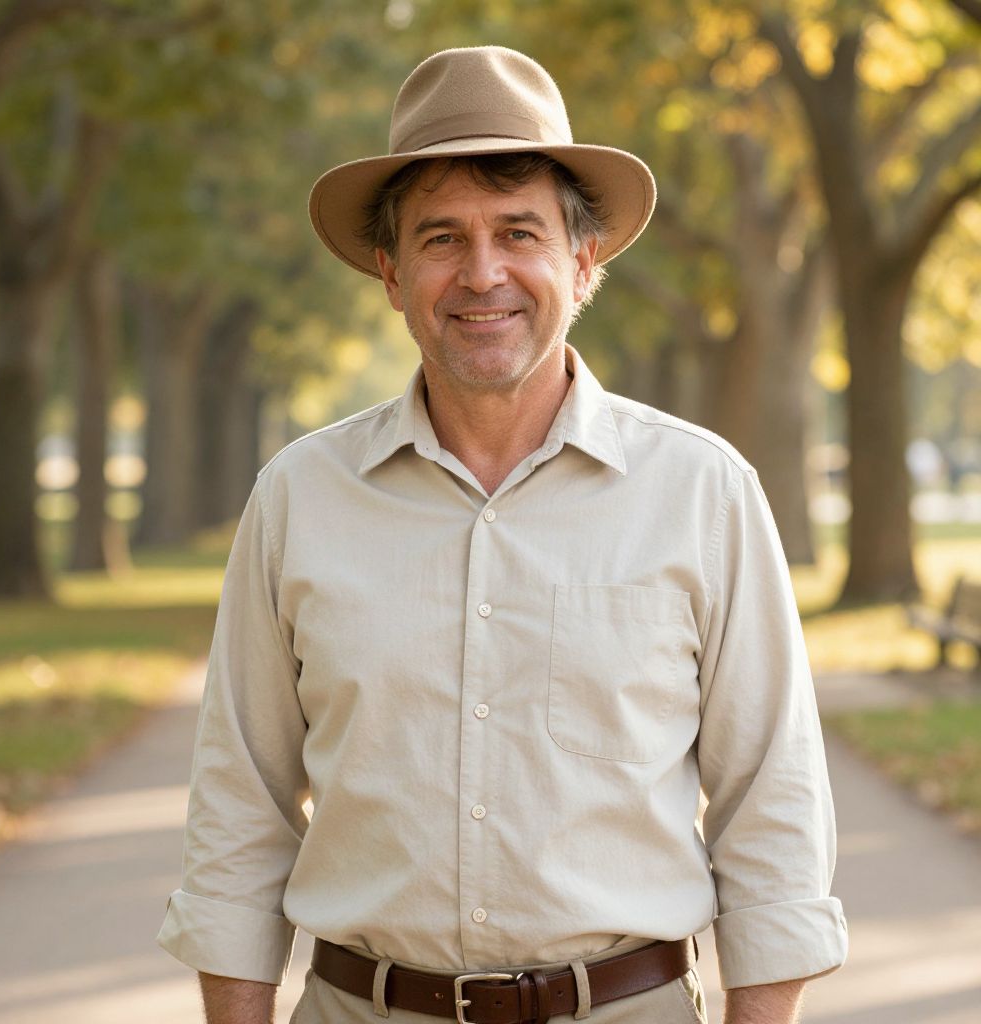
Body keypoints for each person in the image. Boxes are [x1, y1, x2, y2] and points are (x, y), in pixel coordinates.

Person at [158, 45, 848, 1024]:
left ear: (581, 260)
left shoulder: (703, 493)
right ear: (392, 275)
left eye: (517, 231)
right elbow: (240, 805)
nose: (482, 274)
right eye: (441, 239)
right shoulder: (298, 499)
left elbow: (771, 806)